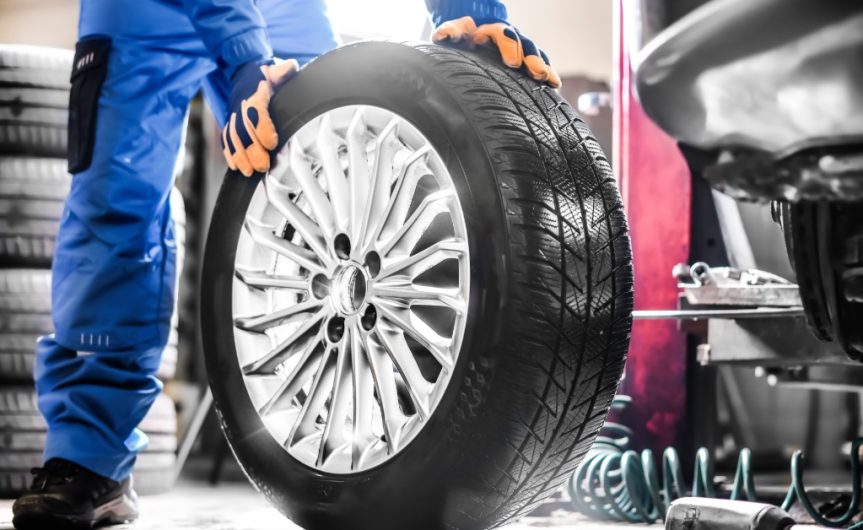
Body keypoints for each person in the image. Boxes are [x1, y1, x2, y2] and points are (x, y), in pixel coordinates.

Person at [11, 0, 560, 528]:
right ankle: (90, 457)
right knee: (114, 207)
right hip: (137, 12)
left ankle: (373, 423)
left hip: (280, 5)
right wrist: (245, 54)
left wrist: (474, 15)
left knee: (331, 172)